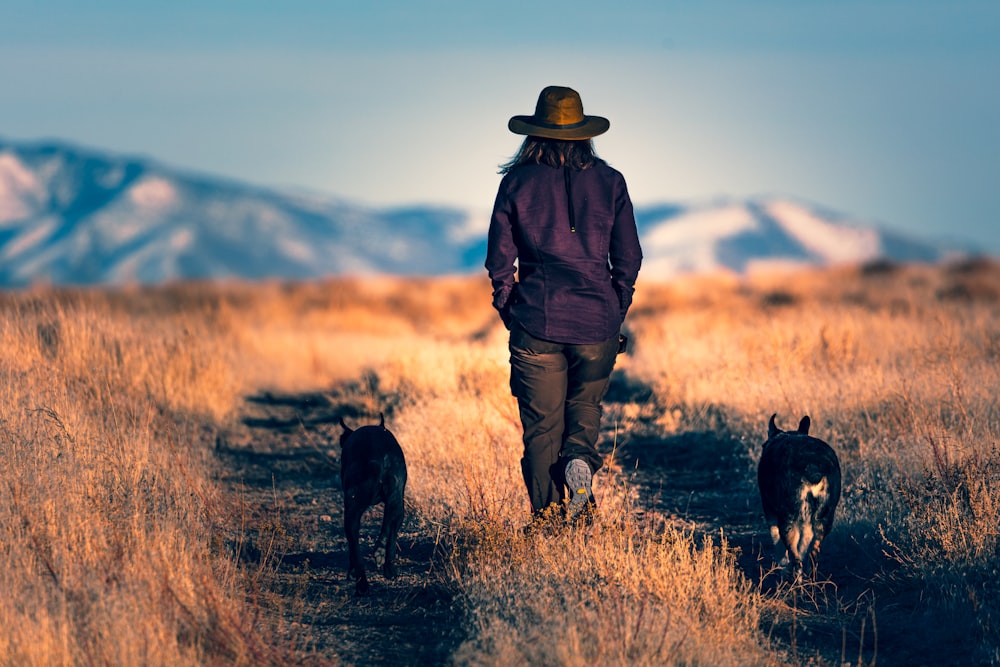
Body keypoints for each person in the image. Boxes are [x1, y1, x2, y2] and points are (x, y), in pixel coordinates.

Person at [485, 85, 643, 523]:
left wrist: (510, 309)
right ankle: (579, 463)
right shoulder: (611, 182)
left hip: (536, 321)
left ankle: (551, 525)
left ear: (533, 134)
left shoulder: (515, 183)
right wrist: (616, 307)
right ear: (583, 133)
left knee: (541, 432)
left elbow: (499, 260)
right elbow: (628, 257)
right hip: (598, 325)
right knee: (585, 410)